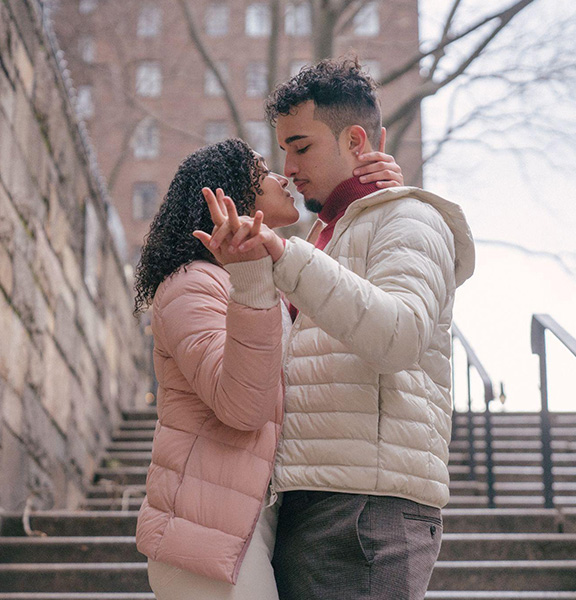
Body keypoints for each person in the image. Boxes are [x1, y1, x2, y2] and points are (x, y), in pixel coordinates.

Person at [198, 58, 476, 600]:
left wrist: (284, 254)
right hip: (318, 500)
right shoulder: (329, 234)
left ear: (354, 139)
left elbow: (400, 337)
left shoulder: (409, 219)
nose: (289, 166)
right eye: (282, 150)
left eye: (301, 146)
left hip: (365, 512)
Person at [133, 137, 404, 600]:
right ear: (232, 193)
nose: (282, 175)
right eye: (262, 168)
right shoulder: (192, 284)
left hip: (246, 525)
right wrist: (253, 284)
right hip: (206, 537)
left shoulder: (253, 280)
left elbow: (335, 291)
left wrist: (375, 197)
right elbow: (242, 406)